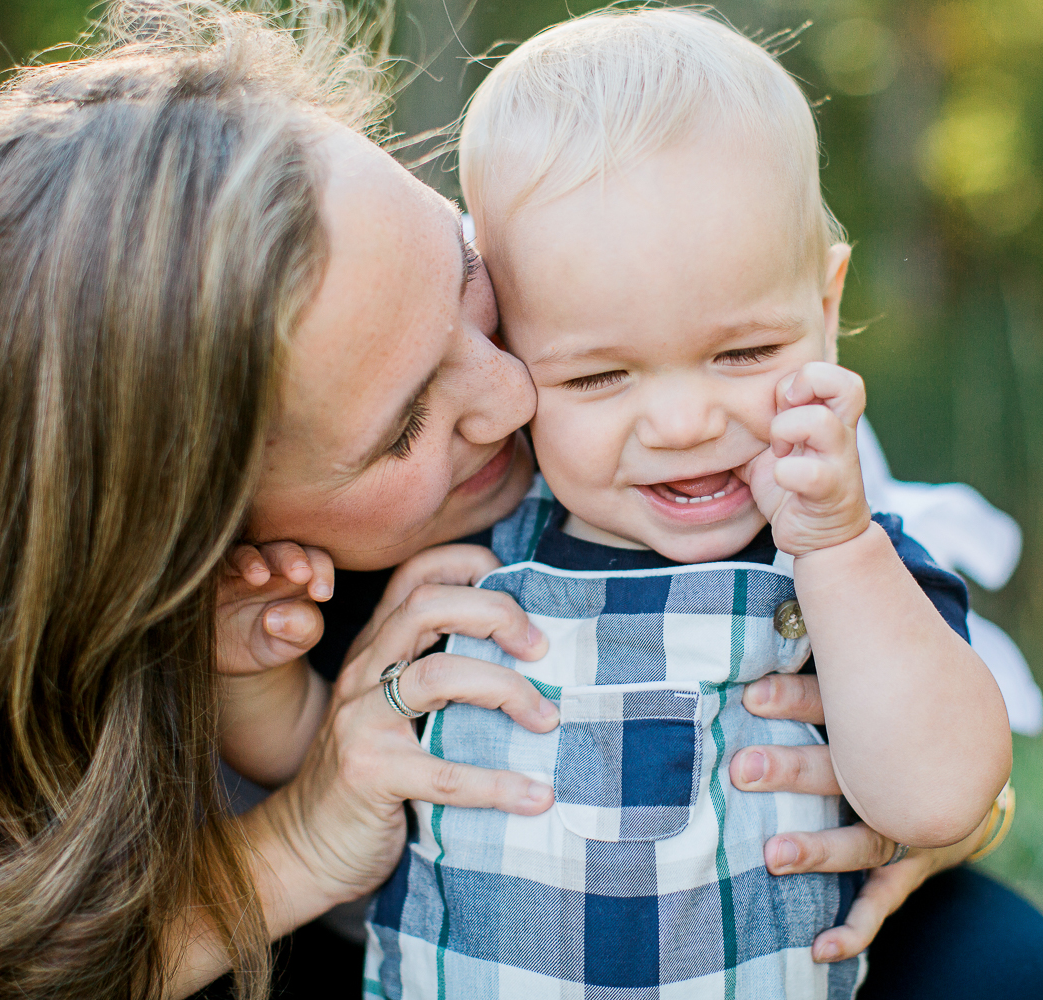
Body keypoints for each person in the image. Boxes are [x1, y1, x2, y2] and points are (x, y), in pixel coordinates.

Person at [0, 3, 1043, 999]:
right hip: (289, 943)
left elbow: (892, 615)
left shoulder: (625, 392)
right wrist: (281, 852)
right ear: (198, 541)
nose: (518, 397)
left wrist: (921, 793)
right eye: (409, 417)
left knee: (1003, 967)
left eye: (470, 286)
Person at [361, 11, 1009, 997]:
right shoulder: (474, 556)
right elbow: (330, 767)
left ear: (826, 309)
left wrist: (838, 550)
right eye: (599, 376)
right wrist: (253, 683)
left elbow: (939, 795)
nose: (681, 420)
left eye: (744, 354)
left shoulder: (844, 567)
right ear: (509, 352)